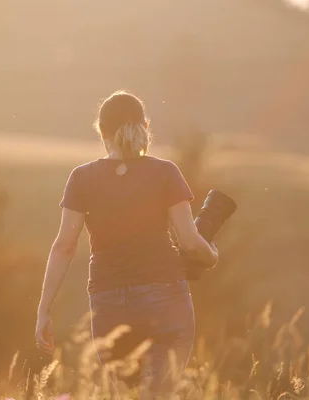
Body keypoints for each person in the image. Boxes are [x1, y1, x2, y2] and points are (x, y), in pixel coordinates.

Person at [35, 90, 219, 398]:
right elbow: (189, 242)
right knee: (159, 393)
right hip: (164, 296)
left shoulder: (82, 178)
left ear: (101, 131)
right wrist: (211, 256)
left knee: (129, 394)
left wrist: (44, 310)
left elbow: (64, 247)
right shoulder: (165, 172)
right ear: (145, 127)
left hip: (109, 304)